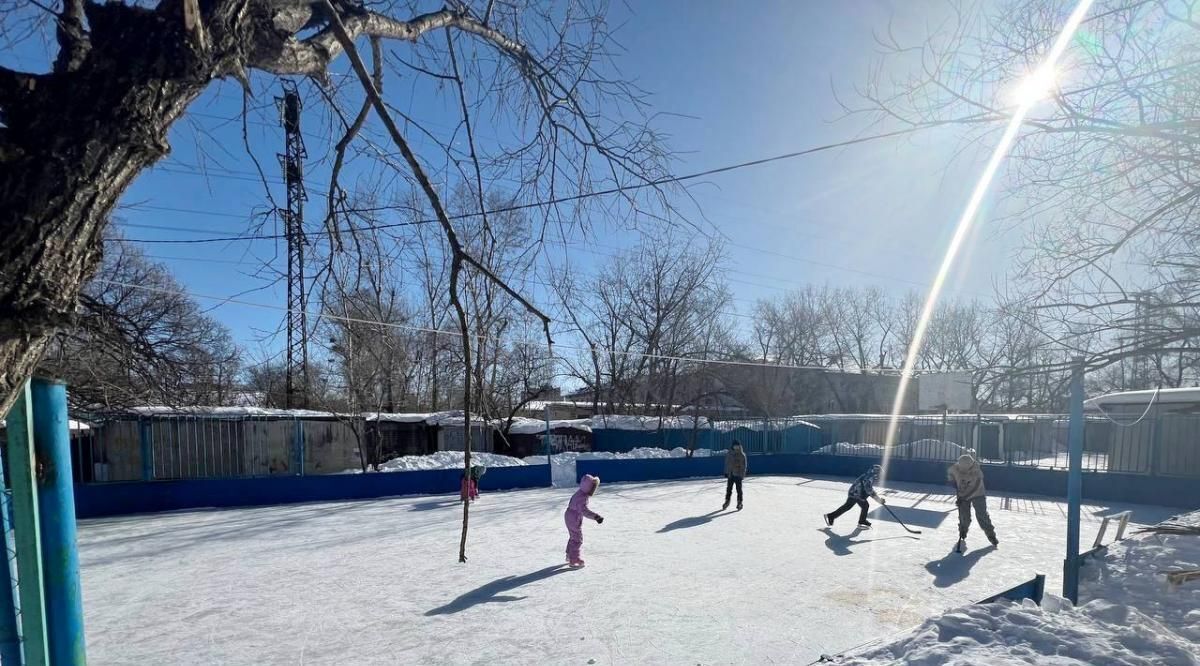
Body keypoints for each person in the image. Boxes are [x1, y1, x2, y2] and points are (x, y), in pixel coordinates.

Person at [949, 453, 998, 552]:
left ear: (970, 467)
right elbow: (950, 473)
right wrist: (952, 481)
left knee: (982, 515)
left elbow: (974, 489)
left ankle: (991, 535)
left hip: (978, 494)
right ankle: (963, 531)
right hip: (963, 495)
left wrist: (962, 498)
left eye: (964, 470)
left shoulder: (976, 473)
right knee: (964, 516)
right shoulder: (956, 468)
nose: (962, 471)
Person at [823, 464, 885, 528]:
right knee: (865, 505)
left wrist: (878, 499)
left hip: (855, 492)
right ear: (875, 472)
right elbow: (869, 490)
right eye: (879, 473)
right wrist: (879, 500)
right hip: (857, 494)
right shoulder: (869, 478)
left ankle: (830, 516)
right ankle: (862, 521)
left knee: (848, 506)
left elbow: (868, 489)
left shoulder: (868, 476)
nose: (879, 476)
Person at [565, 474, 604, 567]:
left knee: (573, 536)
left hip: (569, 515)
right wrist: (596, 517)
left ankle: (569, 555)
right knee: (577, 539)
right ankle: (574, 559)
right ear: (589, 487)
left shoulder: (580, 492)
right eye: (593, 487)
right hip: (574, 518)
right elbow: (584, 511)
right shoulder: (583, 497)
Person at [723, 441, 748, 511]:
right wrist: (726, 472)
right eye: (735, 446)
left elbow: (744, 466)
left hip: (738, 475)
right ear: (732, 446)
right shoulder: (729, 454)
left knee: (739, 490)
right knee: (728, 489)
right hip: (730, 474)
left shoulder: (742, 455)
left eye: (737, 446)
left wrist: (742, 475)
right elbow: (727, 464)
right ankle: (727, 501)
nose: (736, 447)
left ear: (740, 446)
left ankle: (739, 502)